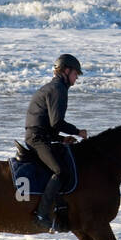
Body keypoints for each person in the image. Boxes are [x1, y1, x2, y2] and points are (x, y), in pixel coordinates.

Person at [25, 54, 88, 230]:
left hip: (42, 136)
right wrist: (77, 132)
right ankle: (41, 214)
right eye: (76, 74)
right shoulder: (58, 89)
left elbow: (48, 125)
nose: (76, 79)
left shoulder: (53, 87)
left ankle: (60, 207)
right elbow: (57, 123)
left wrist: (61, 139)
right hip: (37, 139)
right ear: (66, 71)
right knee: (60, 171)